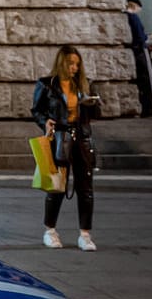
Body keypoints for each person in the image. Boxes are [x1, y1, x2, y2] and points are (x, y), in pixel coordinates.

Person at [32, 45, 102, 252]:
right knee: (57, 187)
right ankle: (50, 230)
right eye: (71, 63)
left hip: (82, 138)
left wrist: (91, 104)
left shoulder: (85, 85)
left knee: (86, 189)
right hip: (59, 137)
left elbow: (97, 114)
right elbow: (36, 110)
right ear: (62, 63)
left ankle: (85, 234)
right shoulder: (47, 85)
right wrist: (45, 121)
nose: (74, 68)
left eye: (77, 64)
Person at [126, 0, 152, 117]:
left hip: (131, 52)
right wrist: (149, 37)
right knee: (147, 82)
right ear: (135, 6)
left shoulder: (124, 17)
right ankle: (148, 109)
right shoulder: (133, 17)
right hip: (140, 52)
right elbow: (140, 37)